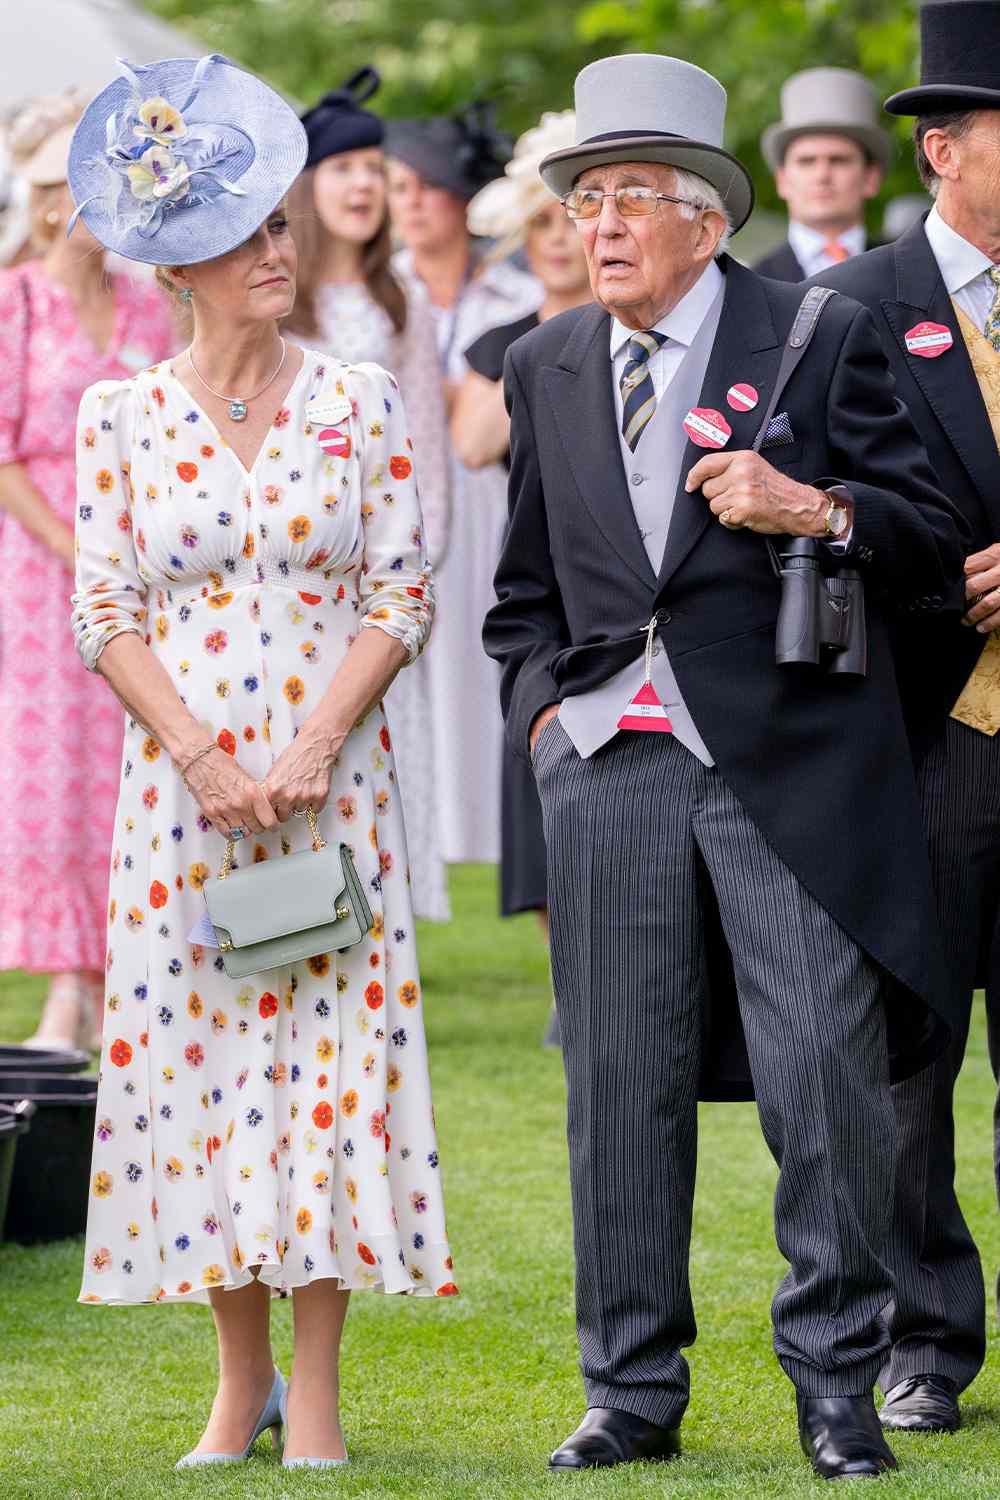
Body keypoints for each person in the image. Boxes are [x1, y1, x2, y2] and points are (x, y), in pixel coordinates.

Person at [483, 51, 966, 1481]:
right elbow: (524, 595)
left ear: (704, 216)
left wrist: (805, 502)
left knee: (823, 1085)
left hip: (794, 769)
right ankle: (629, 1395)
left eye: (632, 196)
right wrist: (545, 727)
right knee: (618, 1095)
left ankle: (833, 1383)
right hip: (608, 770)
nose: (603, 224)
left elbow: (928, 531)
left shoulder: (816, 328)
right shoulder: (544, 360)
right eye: (586, 200)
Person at [68, 54, 456, 1471]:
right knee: (201, 1069)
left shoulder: (357, 399)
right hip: (181, 805)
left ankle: (324, 1397)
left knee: (330, 1074)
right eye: (244, 237)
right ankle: (236, 1393)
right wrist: (201, 757)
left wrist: (306, 744)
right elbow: (101, 608)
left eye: (280, 227)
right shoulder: (120, 416)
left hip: (331, 788)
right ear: (179, 268)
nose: (276, 252)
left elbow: (401, 593)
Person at [809, 0, 1000, 1436]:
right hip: (924, 733)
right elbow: (791, 520)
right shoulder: (852, 306)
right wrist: (930, 566)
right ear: (943, 150)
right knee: (908, 1061)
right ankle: (924, 1341)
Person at [0, 91, 174, 1052]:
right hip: (39, 574)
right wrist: (75, 549)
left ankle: (133, 981)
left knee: (133, 768)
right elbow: (1, 453)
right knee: (58, 781)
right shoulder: (13, 300)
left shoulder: (151, 301)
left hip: (145, 563)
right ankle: (71, 989)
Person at [286, 68, 452, 922]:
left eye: (375, 171)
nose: (363, 186)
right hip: (294, 574)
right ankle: (294, 918)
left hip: (380, 580)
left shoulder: (404, 302)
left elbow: (426, 446)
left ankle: (377, 923)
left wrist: (414, 574)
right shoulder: (279, 303)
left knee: (380, 754)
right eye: (345, 169)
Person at [452, 110, 589, 1044]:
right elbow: (472, 442)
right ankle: (562, 973)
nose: (555, 243)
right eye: (538, 228)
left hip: (620, 560)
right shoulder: (501, 341)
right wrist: (543, 344)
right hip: (538, 564)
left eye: (565, 225)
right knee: (534, 749)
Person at [386, 105, 540, 865]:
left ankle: (483, 824)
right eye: (398, 187)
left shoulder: (513, 300)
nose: (410, 203)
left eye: (428, 187)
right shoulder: (381, 295)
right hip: (405, 497)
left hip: (492, 499)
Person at [754, 68, 890, 282]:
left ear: (871, 178)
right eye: (806, 162)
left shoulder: (903, 271)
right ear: (782, 181)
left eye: (839, 160)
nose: (822, 175)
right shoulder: (752, 282)